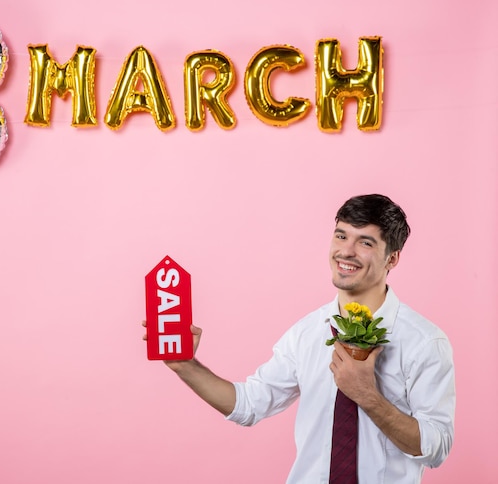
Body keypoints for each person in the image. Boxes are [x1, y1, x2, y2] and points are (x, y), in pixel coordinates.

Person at [144, 194, 455, 483]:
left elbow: (437, 447)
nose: (346, 251)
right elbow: (250, 404)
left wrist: (368, 396)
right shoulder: (306, 333)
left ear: (392, 258)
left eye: (366, 242)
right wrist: (184, 364)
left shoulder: (424, 343)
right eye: (341, 235)